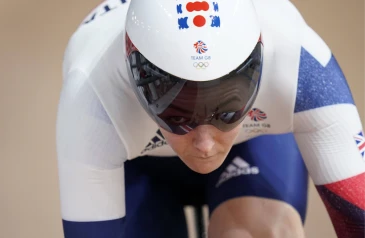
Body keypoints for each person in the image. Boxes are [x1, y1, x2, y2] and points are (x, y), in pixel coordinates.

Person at [56, 0, 365, 237]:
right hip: (134, 164)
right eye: (177, 112)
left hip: (250, 146)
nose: (204, 144)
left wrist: (175, 116)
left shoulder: (298, 61)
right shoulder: (92, 92)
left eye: (227, 109)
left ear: (260, 67)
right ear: (132, 76)